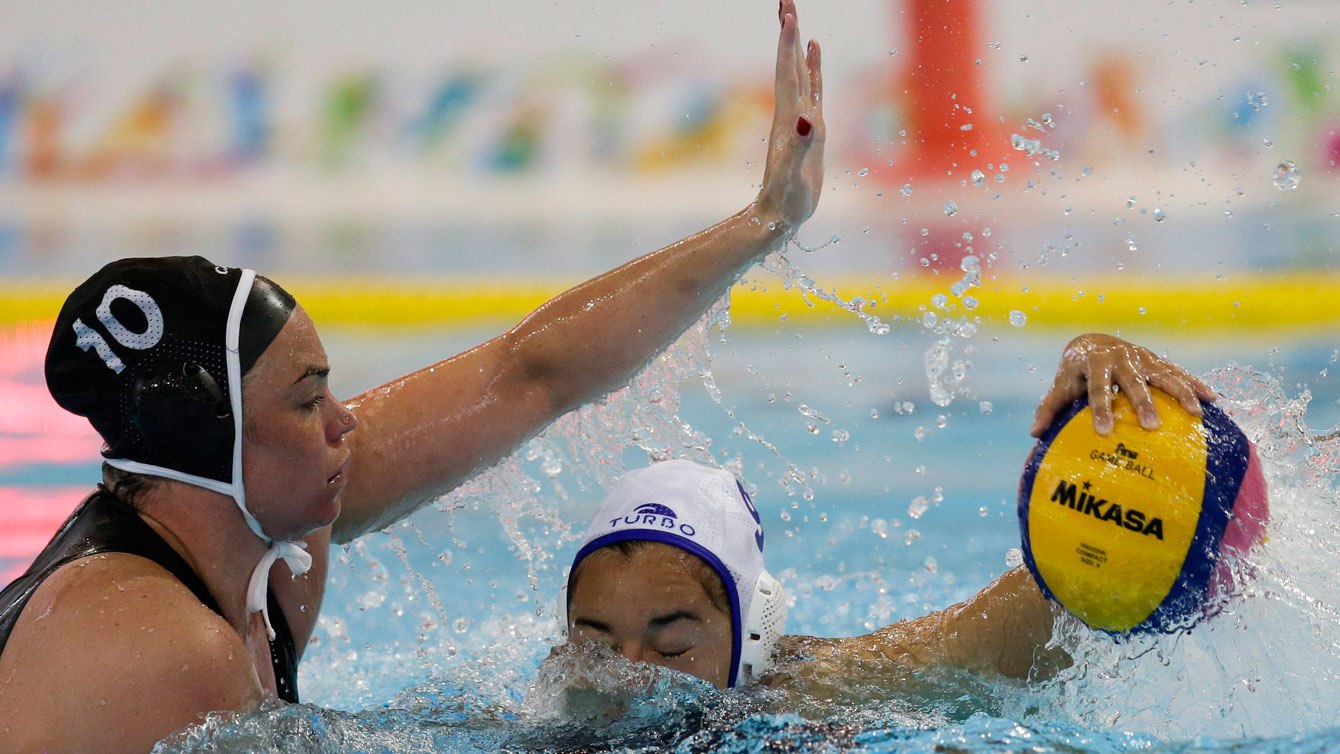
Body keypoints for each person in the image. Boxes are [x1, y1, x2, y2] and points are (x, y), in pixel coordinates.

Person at [0, 3, 824, 751]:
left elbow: (530, 372)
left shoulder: (264, 524)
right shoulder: (152, 655)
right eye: (304, 400)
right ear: (215, 439)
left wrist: (761, 225)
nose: (343, 423)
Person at [556, 334, 1217, 694]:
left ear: (752, 631)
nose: (630, 676)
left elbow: (1049, 604)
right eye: (596, 644)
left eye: (672, 645)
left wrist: (1097, 369)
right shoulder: (546, 716)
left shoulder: (818, 690)